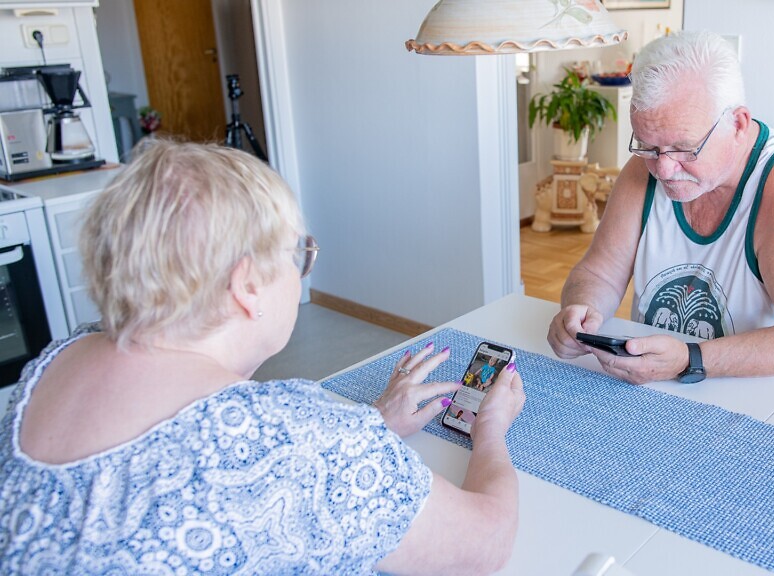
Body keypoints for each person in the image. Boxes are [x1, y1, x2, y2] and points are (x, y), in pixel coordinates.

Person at [0, 139, 525, 574]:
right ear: (247, 284)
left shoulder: (54, 361)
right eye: (298, 254)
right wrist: (490, 430)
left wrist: (370, 428)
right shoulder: (309, 442)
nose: (303, 270)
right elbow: (483, 547)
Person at [548, 30, 774, 384]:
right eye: (648, 146)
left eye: (685, 148)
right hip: (657, 384)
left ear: (738, 123)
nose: (664, 169)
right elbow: (598, 274)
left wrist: (690, 359)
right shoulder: (646, 167)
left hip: (770, 392)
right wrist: (581, 311)